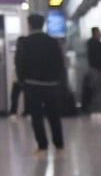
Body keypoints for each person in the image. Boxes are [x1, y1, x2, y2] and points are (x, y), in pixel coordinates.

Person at [14, 14, 66, 156]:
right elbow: (60, 62)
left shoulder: (24, 42)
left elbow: (19, 62)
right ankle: (59, 146)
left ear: (29, 25)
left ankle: (42, 147)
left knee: (36, 117)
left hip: (32, 84)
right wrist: (57, 79)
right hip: (51, 84)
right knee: (54, 115)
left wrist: (22, 81)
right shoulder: (52, 41)